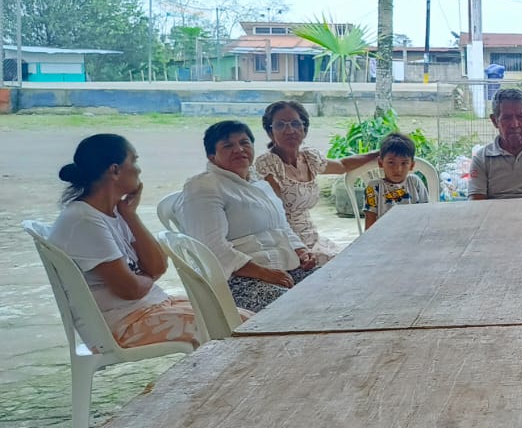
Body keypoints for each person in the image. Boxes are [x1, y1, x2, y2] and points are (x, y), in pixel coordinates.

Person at [48, 134, 203, 349]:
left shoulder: (112, 212)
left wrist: (131, 215)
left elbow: (158, 266)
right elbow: (130, 289)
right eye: (134, 161)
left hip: (149, 307)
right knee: (228, 325)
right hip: (123, 324)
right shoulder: (84, 220)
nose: (139, 170)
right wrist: (147, 278)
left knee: (235, 316)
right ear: (115, 170)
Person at [178, 120, 316, 312]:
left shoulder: (259, 183)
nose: (239, 149)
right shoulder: (203, 187)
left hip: (282, 268)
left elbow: (282, 227)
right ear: (212, 156)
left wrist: (300, 250)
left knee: (334, 284)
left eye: (244, 143)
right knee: (297, 308)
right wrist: (263, 273)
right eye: (228, 146)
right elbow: (211, 248)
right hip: (236, 280)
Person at [252, 100, 377, 263]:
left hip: (313, 239)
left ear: (304, 129)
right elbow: (274, 215)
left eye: (295, 123)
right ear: (270, 132)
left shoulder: (308, 158)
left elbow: (342, 165)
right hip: (286, 244)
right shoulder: (268, 165)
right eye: (280, 125)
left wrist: (380, 153)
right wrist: (300, 250)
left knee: (359, 260)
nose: (289, 130)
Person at [360, 132, 429, 228]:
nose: (398, 169)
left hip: (413, 233)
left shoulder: (415, 182)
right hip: (384, 235)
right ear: (380, 163)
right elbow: (370, 222)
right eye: (391, 162)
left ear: (412, 165)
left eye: (404, 163)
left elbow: (426, 213)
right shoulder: (373, 187)